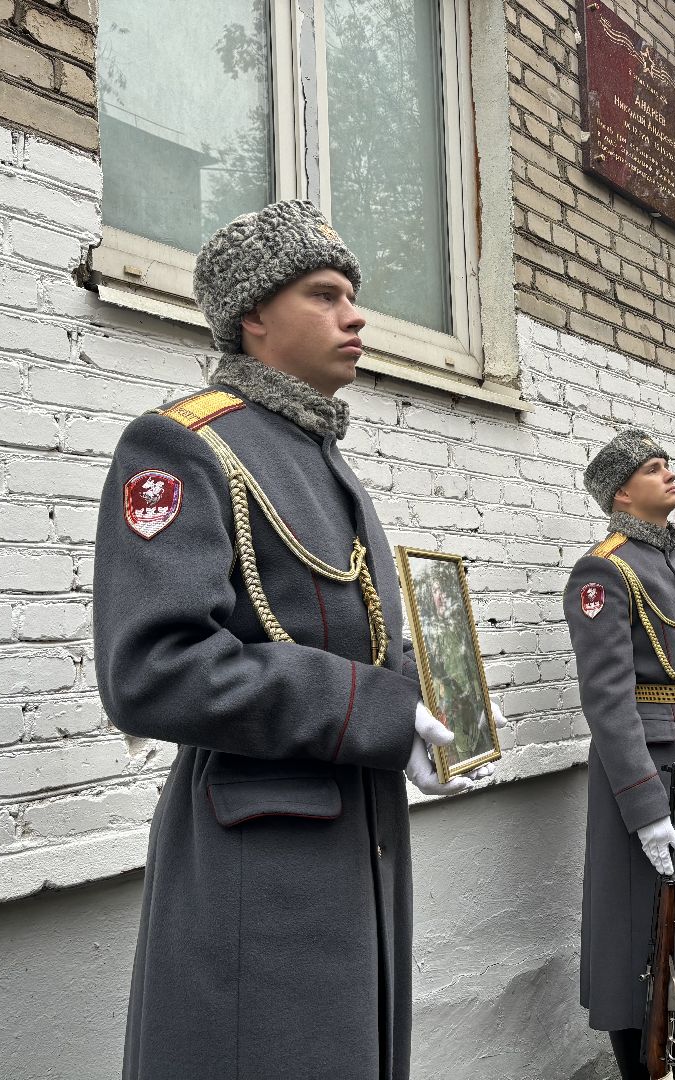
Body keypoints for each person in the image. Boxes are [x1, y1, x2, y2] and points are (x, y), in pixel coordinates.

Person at [93, 200, 499, 1080]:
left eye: (354, 295)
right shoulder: (185, 443)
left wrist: (415, 718)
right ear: (254, 318)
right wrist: (370, 711)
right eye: (325, 295)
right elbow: (151, 669)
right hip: (260, 862)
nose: (356, 316)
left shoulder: (319, 456)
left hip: (357, 836)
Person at [563, 430, 675, 1080]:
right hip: (644, 773)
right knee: (635, 929)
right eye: (652, 467)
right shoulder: (603, 570)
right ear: (621, 491)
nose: (668, 474)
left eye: (668, 462)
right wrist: (642, 808)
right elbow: (608, 700)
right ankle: (644, 1063)